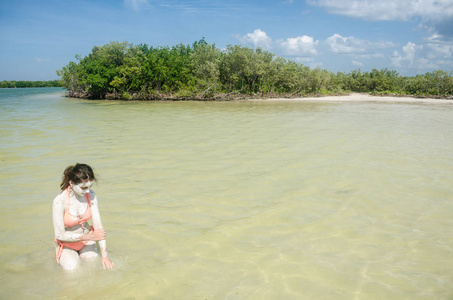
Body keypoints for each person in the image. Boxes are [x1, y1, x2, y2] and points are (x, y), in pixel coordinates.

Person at [52, 163, 114, 270]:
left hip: (86, 240)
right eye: (83, 188)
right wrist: (91, 237)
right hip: (67, 244)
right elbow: (59, 235)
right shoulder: (59, 201)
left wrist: (105, 255)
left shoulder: (91, 195)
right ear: (71, 183)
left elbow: (99, 228)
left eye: (90, 187)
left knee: (93, 263)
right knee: (71, 269)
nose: (87, 191)